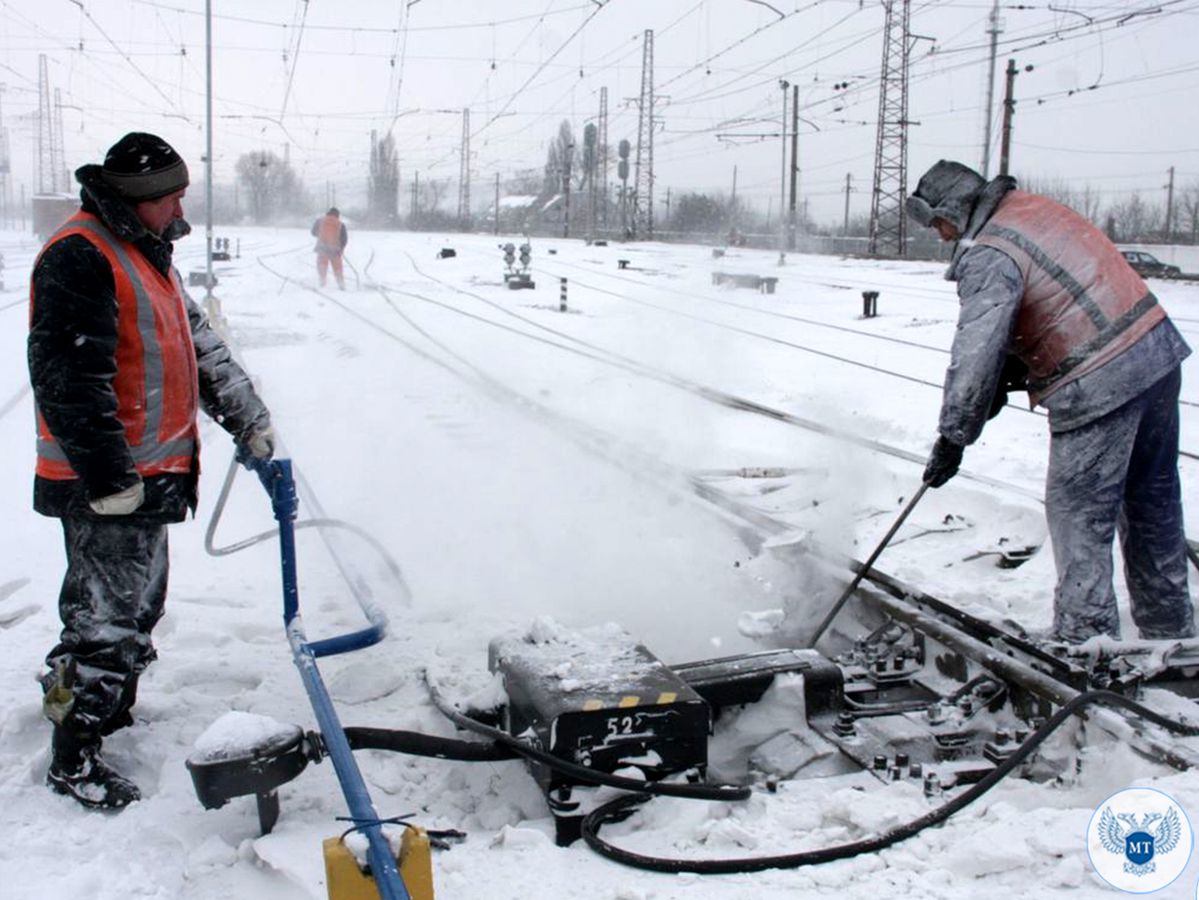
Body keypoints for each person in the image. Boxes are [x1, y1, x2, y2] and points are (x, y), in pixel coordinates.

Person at [29, 132, 276, 809]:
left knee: (135, 612)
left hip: (148, 478)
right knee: (106, 627)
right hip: (107, 484)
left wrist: (248, 419)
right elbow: (67, 380)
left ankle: (94, 706)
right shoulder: (80, 255)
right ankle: (73, 756)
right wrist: (109, 478)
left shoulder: (144, 255)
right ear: (140, 200)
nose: (180, 210)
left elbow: (199, 348)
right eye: (171, 198)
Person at [906, 160, 1194, 645]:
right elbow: (1063, 294)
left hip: (1099, 379)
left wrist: (954, 435)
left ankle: (1085, 644)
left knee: (1079, 512)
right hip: (1157, 355)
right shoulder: (1034, 210)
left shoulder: (988, 252)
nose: (940, 235)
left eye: (938, 222)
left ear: (955, 207)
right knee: (1152, 501)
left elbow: (976, 350)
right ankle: (1171, 631)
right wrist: (1009, 374)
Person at [311, 206, 348, 289]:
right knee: (338, 269)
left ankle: (322, 284)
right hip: (335, 250)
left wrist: (321, 235)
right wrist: (341, 248)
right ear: (337, 215)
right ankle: (341, 285)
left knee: (322, 266)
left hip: (322, 248)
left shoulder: (320, 221)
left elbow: (313, 232)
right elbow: (344, 239)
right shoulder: (340, 224)